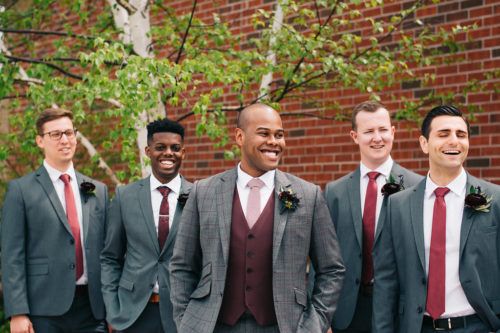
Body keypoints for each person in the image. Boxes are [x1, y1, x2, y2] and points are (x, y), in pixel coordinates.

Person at [169, 103, 345, 333]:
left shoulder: (308, 195)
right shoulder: (204, 192)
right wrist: (186, 322)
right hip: (213, 326)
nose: (274, 142)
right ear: (240, 136)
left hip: (284, 327)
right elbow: (182, 266)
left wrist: (314, 325)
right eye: (264, 133)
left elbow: (331, 269)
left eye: (279, 135)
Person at [373, 105, 500, 333]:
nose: (454, 141)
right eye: (443, 134)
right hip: (418, 327)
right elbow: (386, 281)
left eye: (461, 135)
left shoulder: (495, 199)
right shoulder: (397, 206)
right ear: (424, 144)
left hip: (478, 326)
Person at [1, 108, 108, 333]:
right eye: (55, 134)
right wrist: (17, 312)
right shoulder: (21, 190)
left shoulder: (97, 190)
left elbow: (108, 254)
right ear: (40, 141)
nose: (65, 140)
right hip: (44, 311)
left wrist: (113, 309)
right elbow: (12, 256)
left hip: (93, 310)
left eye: (69, 133)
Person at [322, 101, 422, 333]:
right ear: (355, 136)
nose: (377, 138)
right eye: (368, 131)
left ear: (393, 132)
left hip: (400, 311)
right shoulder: (334, 192)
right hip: (348, 312)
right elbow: (323, 259)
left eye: (383, 130)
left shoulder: (417, 187)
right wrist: (322, 317)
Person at [101, 118, 192, 333]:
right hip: (133, 314)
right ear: (148, 151)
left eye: (175, 148)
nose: (168, 153)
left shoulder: (198, 196)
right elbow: (110, 258)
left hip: (181, 315)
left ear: (183, 153)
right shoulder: (125, 196)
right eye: (160, 147)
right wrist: (113, 310)